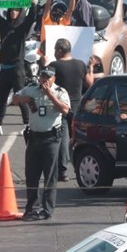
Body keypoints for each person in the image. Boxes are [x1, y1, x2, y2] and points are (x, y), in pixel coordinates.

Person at [12, 67, 70, 220]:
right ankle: (31, 207)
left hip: (51, 138)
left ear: (53, 79)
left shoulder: (60, 92)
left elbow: (65, 110)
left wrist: (50, 95)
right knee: (31, 174)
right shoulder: (32, 89)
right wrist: (24, 100)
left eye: (48, 77)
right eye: (42, 77)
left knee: (50, 175)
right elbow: (14, 98)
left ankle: (47, 209)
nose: (44, 80)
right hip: (34, 137)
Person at [0, 0, 38, 136]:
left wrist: (32, 2)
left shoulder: (22, 27)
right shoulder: (4, 25)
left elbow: (32, 16)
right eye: (12, 10)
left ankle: (27, 125)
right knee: (2, 98)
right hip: (4, 68)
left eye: (17, 10)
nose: (14, 12)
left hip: (17, 68)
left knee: (20, 97)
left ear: (20, 12)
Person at [47, 38, 91, 182]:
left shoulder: (55, 65)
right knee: (77, 139)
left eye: (55, 50)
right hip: (77, 108)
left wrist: (45, 65)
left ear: (60, 51)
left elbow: (47, 81)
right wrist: (90, 68)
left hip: (61, 107)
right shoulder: (80, 64)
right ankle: (79, 167)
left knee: (63, 139)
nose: (54, 52)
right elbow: (89, 83)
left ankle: (63, 170)